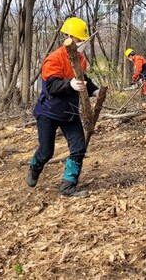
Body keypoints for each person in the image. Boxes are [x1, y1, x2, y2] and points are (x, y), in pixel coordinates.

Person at [26, 17, 100, 197]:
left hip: (70, 112)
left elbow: (83, 78)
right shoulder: (54, 59)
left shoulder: (80, 59)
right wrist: (70, 84)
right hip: (48, 112)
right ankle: (35, 167)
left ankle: (68, 186)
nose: (80, 43)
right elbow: (51, 86)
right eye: (77, 39)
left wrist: (95, 90)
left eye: (82, 40)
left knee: (78, 148)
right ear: (67, 37)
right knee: (46, 151)